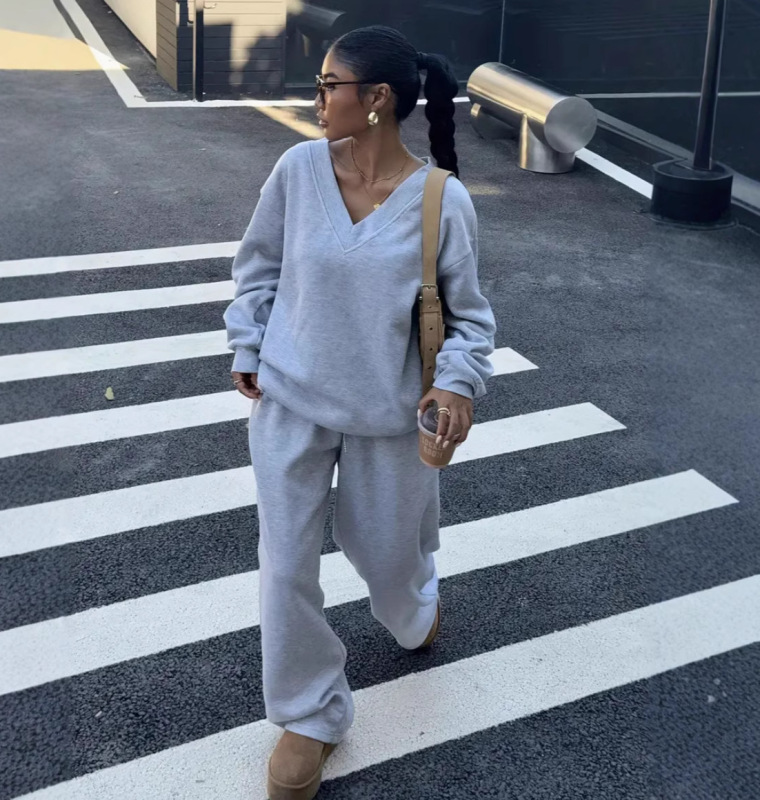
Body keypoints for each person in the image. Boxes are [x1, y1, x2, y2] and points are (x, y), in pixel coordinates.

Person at [224, 25, 497, 800]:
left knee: (385, 559)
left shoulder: (442, 201)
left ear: (376, 100)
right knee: (285, 566)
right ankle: (310, 713)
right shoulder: (297, 170)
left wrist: (457, 384)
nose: (316, 99)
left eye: (327, 85)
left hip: (388, 419)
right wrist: (249, 341)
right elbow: (258, 267)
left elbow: (471, 319)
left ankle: (414, 605)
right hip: (290, 404)